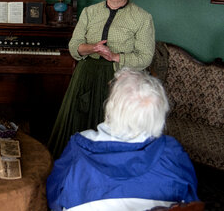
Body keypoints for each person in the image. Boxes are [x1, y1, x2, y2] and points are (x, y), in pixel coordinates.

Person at [46, 68, 199, 211]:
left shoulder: (79, 147)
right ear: (158, 113)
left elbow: (53, 196)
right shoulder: (172, 153)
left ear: (112, 106)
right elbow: (189, 200)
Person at [47, 0, 155, 158]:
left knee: (111, 131)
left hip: (119, 81)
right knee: (75, 126)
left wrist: (114, 56)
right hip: (86, 75)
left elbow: (145, 57)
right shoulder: (89, 12)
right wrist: (93, 48)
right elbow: (74, 46)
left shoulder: (142, 18)